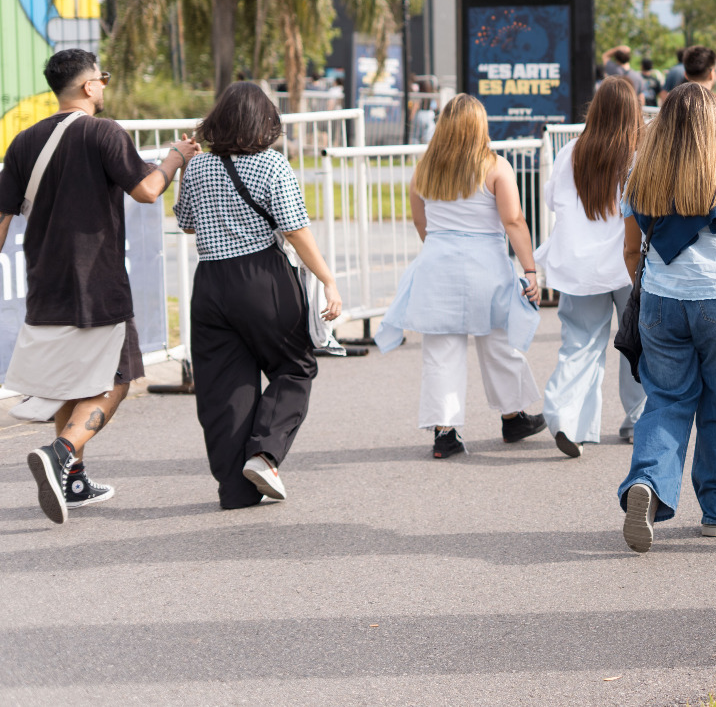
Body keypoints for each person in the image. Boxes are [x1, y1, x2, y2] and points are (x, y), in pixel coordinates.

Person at [0, 50, 199, 524]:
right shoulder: (105, 133)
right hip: (98, 280)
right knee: (119, 379)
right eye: (102, 79)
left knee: (71, 380)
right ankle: (61, 452)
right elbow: (147, 190)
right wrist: (173, 159)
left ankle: (73, 480)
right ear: (88, 86)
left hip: (44, 281)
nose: (104, 86)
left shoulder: (23, 141)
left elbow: (2, 219)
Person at [615, 84, 716, 552]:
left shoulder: (639, 175)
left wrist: (653, 294)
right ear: (714, 126)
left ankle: (648, 482)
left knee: (666, 401)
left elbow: (631, 252)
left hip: (661, 305)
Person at [174, 82, 342, 508]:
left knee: (224, 388)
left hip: (210, 283)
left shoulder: (197, 168)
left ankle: (235, 489)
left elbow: (187, 224)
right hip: (261, 276)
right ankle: (265, 455)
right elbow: (295, 229)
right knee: (294, 367)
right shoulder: (271, 165)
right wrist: (327, 279)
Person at [377, 95, 546, 458]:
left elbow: (420, 222)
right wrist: (530, 269)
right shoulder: (496, 167)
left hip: (437, 264)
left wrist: (441, 247)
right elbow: (513, 220)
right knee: (499, 343)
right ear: (479, 125)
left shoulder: (425, 168)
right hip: (487, 264)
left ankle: (444, 434)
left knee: (441, 351)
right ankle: (513, 416)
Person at [535, 77, 648, 456]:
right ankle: (637, 418)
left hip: (579, 267)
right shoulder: (640, 154)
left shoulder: (571, 152)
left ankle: (566, 420)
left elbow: (553, 201)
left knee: (578, 345)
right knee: (638, 344)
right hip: (628, 264)